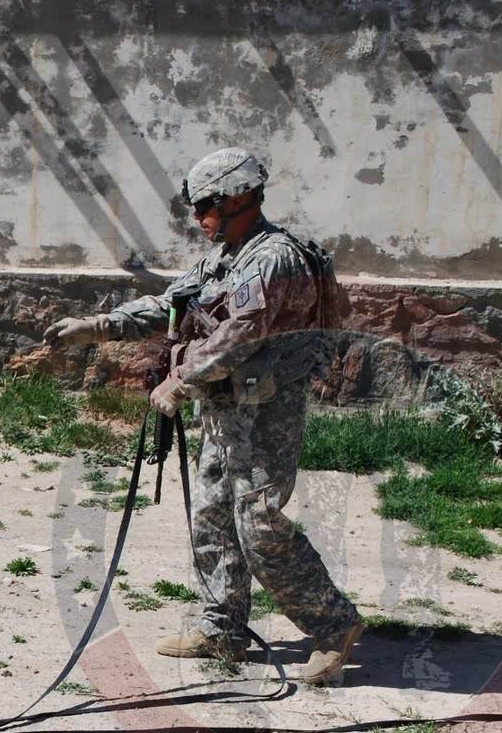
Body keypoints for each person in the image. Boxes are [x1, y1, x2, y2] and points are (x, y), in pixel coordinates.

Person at [44, 147, 362, 684]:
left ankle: (333, 625)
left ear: (239, 197)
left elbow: (241, 333)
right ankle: (223, 629)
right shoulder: (225, 256)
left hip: (266, 413)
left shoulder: (272, 258)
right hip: (225, 407)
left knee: (258, 521)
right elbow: (174, 305)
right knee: (213, 516)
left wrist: (179, 381)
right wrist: (98, 326)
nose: (199, 219)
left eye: (207, 206)